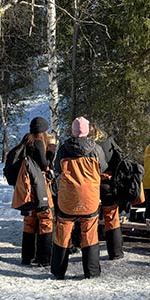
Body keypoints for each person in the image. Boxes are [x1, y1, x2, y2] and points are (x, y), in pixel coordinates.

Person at [51, 117, 107, 279]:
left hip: (67, 199)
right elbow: (103, 167)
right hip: (89, 198)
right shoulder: (96, 149)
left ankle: (58, 271)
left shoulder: (63, 149)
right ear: (87, 131)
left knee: (62, 233)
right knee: (89, 233)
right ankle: (91, 271)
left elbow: (57, 169)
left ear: (73, 131)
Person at [18, 117, 57, 267]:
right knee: (46, 218)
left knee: (30, 220)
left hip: (27, 186)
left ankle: (27, 257)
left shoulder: (26, 140)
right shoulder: (39, 142)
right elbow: (44, 164)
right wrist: (52, 149)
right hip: (39, 185)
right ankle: (44, 258)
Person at [91, 125, 125, 260]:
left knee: (89, 219)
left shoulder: (89, 147)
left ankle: (88, 249)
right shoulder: (109, 143)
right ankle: (116, 252)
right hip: (108, 185)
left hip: (91, 186)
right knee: (111, 218)